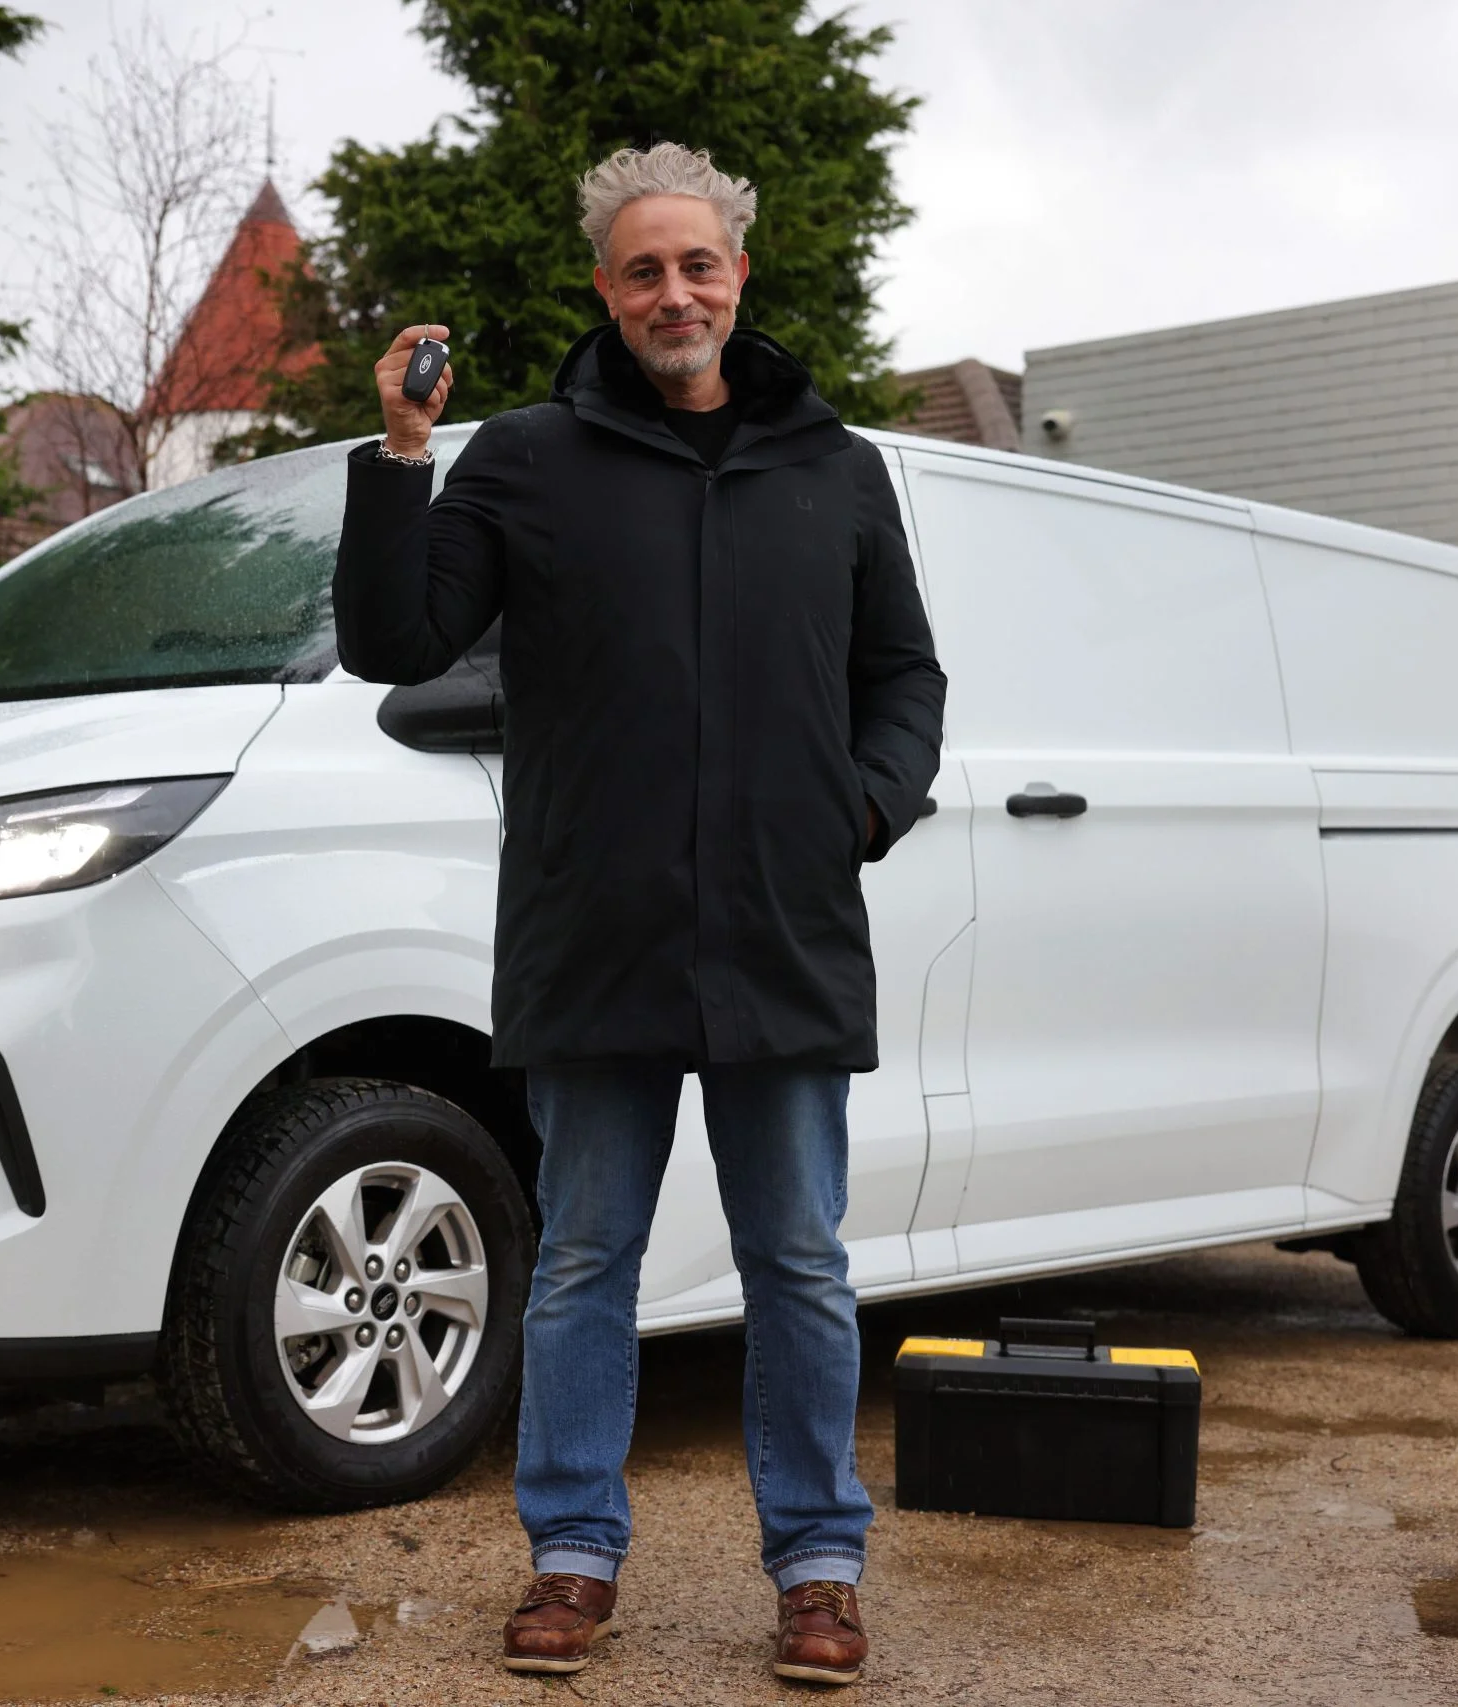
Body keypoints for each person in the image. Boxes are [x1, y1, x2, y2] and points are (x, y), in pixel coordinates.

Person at [331, 141, 946, 1687]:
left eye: (698, 263)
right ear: (604, 291)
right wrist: (403, 449)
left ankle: (818, 1566)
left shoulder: (838, 468)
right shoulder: (530, 457)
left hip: (782, 930)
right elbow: (394, 637)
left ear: (741, 275)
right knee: (587, 1253)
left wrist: (861, 809)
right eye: (642, 268)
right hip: (591, 928)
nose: (674, 290)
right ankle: (572, 1555)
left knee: (797, 1258)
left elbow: (906, 680)